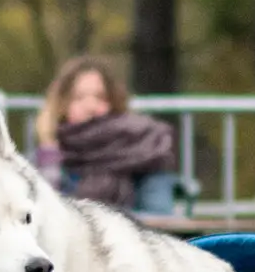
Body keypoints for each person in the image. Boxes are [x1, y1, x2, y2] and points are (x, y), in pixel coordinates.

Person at [32, 54, 181, 215]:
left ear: (115, 101)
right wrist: (48, 147)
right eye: (78, 98)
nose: (90, 106)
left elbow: (159, 218)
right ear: (61, 105)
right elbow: (44, 215)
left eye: (100, 97)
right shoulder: (50, 154)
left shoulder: (146, 148)